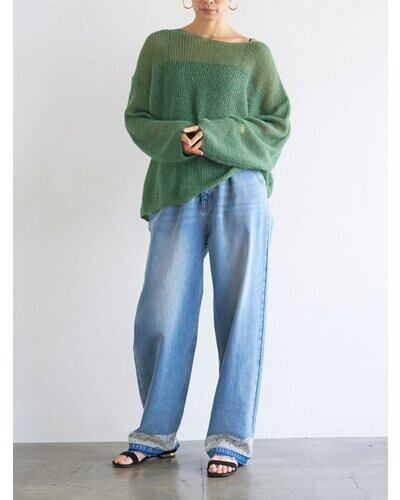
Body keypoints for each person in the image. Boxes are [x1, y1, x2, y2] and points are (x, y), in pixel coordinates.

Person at [112, 0, 291, 478]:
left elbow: (277, 124)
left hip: (242, 188)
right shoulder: (161, 46)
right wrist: (178, 138)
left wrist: (213, 135)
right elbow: (138, 116)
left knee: (241, 313)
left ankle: (231, 438)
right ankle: (156, 434)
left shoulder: (255, 55)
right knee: (161, 313)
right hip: (175, 185)